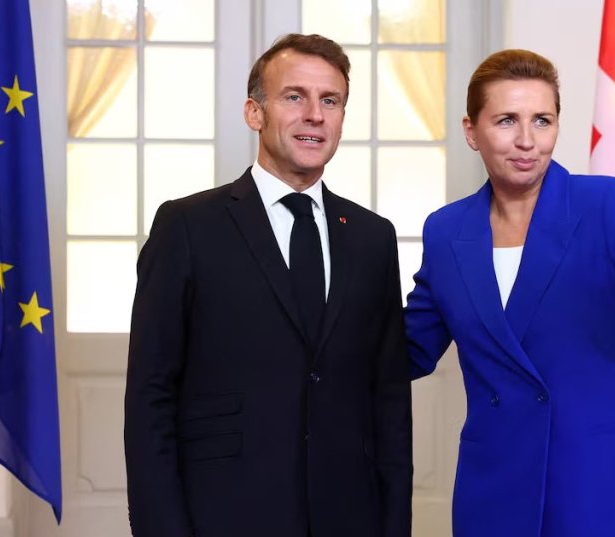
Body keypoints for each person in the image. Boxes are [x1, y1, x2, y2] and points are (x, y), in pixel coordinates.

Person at [405, 49, 615, 537]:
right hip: (500, 496)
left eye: (542, 120)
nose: (526, 141)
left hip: (612, 489)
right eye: (506, 121)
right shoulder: (446, 231)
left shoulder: (609, 205)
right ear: (471, 131)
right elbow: (406, 351)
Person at [124, 34, 412, 537]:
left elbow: (389, 401)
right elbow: (151, 396)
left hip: (347, 515)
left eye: (331, 100)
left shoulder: (373, 237)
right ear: (254, 113)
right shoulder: (188, 227)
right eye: (294, 97)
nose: (315, 115)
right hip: (223, 512)